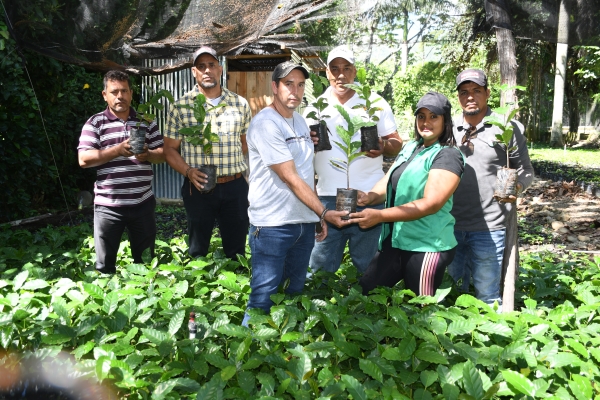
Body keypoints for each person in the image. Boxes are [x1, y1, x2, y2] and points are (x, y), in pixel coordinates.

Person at [243, 61, 349, 325]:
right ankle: (246, 359)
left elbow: (304, 172)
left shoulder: (300, 122)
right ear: (275, 87)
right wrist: (324, 210)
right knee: (263, 297)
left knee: (293, 294)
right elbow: (289, 177)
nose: (295, 90)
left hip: (302, 224)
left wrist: (316, 217)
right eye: (288, 84)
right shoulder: (265, 124)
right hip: (272, 226)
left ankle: (282, 353)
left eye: (300, 84)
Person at [351, 92, 464, 296]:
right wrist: (370, 197)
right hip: (395, 240)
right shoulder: (412, 147)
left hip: (427, 245)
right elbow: (389, 181)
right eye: (421, 116)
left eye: (433, 116)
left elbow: (431, 203)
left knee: (422, 311)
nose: (426, 122)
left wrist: (379, 216)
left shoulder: (447, 155)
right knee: (367, 293)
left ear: (445, 120)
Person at [306, 45, 403, 276]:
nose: (340, 74)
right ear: (326, 73)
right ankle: (320, 308)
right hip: (327, 196)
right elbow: (304, 153)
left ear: (355, 71)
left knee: (369, 265)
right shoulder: (314, 108)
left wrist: (382, 146)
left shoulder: (375, 103)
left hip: (368, 195)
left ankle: (367, 307)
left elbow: (396, 143)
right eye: (335, 69)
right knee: (320, 265)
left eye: (346, 68)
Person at [447, 69, 534, 309]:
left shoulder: (505, 127)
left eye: (476, 90)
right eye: (464, 92)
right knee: (452, 294)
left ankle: (491, 341)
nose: (470, 96)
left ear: (487, 93)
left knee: (487, 296)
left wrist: (516, 185)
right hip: (449, 225)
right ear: (458, 97)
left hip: (490, 226)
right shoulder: (449, 128)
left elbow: (526, 169)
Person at [164, 46, 251, 259]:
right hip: (198, 186)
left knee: (236, 248)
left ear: (220, 69)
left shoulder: (240, 104)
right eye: (201, 66)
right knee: (197, 248)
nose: (207, 70)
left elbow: (246, 143)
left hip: (234, 186)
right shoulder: (181, 106)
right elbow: (169, 149)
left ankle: (236, 288)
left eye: (211, 65)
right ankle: (196, 287)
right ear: (194, 72)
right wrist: (188, 171)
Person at [78, 70, 165, 274]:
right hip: (109, 207)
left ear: (131, 93)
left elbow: (162, 154)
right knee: (104, 266)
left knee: (145, 264)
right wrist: (116, 150)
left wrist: (148, 154)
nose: (120, 96)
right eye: (114, 91)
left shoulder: (146, 121)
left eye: (124, 91)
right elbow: (84, 159)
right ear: (104, 95)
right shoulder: (95, 123)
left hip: (142, 203)